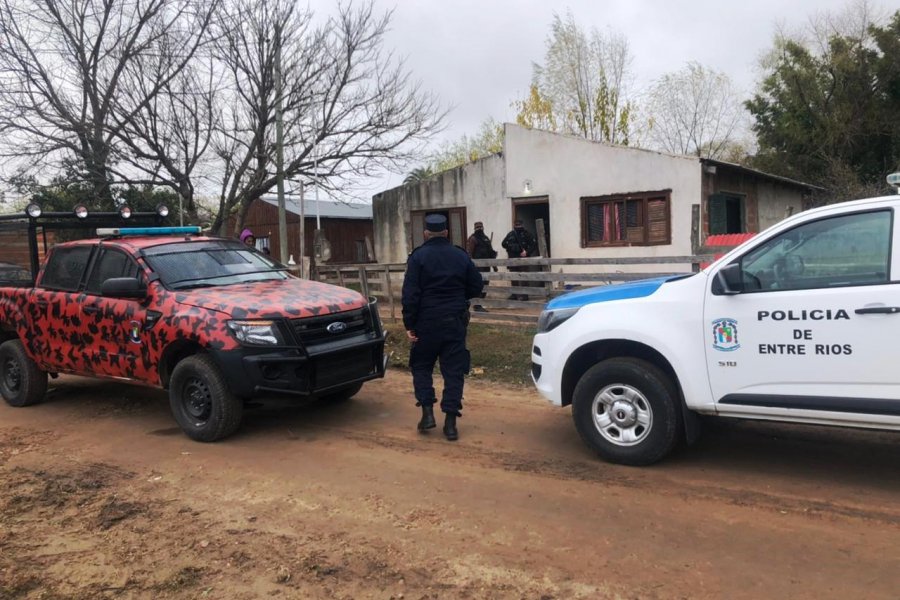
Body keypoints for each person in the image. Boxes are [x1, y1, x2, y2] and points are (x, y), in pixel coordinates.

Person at [402, 213, 484, 441]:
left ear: (426, 233)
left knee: (421, 366)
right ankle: (450, 423)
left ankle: (427, 413)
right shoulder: (460, 255)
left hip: (425, 322)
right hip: (454, 321)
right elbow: (476, 286)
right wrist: (459, 297)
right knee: (454, 371)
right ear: (446, 233)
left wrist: (409, 323)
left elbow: (410, 294)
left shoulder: (417, 257)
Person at [501, 219, 538, 301]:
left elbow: (533, 244)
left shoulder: (526, 234)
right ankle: (515, 294)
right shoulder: (511, 234)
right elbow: (503, 244)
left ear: (522, 225)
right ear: (514, 225)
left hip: (523, 259)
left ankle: (524, 295)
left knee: (524, 277)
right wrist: (510, 247)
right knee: (514, 277)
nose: (518, 226)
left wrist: (527, 252)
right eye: (516, 225)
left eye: (519, 225)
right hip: (512, 259)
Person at [465, 221, 497, 312]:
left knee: (485, 285)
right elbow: (469, 253)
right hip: (477, 267)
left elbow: (491, 253)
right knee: (478, 285)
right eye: (478, 227)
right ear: (475, 229)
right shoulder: (473, 239)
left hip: (487, 266)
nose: (480, 229)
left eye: (481, 227)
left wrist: (494, 266)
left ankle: (480, 303)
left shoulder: (486, 239)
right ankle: (477, 305)